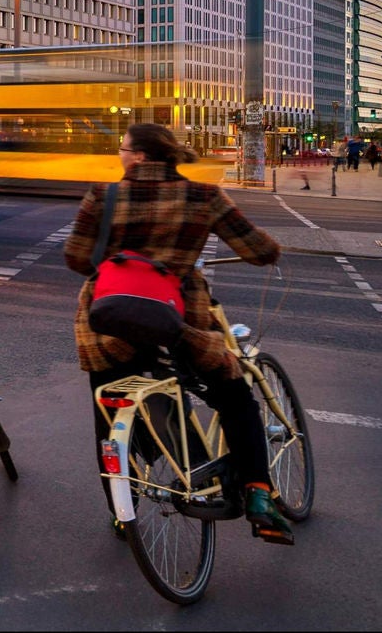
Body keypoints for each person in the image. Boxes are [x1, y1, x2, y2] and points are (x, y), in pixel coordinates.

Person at [65, 123, 292, 545]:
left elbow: (77, 258)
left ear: (140, 157)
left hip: (108, 326)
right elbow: (259, 249)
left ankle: (122, 512)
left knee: (109, 414)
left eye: (124, 148)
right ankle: (258, 494)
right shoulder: (204, 197)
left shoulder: (103, 196)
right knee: (234, 395)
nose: (121, 154)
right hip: (179, 324)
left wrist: (120, 265)